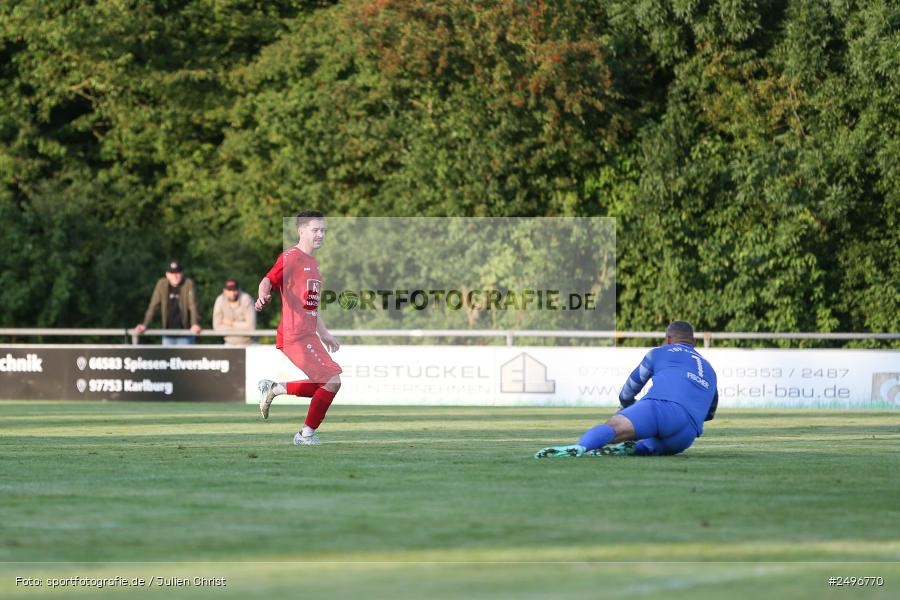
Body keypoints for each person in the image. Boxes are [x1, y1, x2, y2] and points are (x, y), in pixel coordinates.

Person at [535, 320, 718, 458]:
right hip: (686, 435)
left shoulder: (659, 352)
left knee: (614, 426)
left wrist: (626, 405)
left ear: (668, 339)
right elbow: (710, 412)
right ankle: (638, 448)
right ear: (693, 341)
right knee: (652, 446)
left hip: (662, 409)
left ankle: (581, 447)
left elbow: (632, 386)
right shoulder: (710, 369)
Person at [254, 210, 342, 446]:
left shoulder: (314, 264)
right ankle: (305, 435)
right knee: (332, 381)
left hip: (309, 334)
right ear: (301, 231)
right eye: (315, 230)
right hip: (294, 335)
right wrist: (262, 296)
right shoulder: (291, 257)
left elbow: (312, 307)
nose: (320, 234)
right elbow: (267, 280)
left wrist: (324, 333)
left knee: (327, 384)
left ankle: (274, 389)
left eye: (323, 230)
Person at [135, 260, 202, 346]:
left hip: (185, 333)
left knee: (186, 358)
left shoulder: (188, 284)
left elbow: (193, 306)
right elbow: (153, 306)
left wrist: (195, 324)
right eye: (172, 273)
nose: (175, 276)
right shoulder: (161, 284)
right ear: (167, 275)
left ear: (182, 273)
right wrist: (145, 325)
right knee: (167, 358)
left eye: (177, 273)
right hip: (168, 333)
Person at [212, 279, 257, 346]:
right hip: (229, 343)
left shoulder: (246, 299)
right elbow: (216, 327)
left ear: (239, 289)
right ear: (224, 291)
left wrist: (231, 323)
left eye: (234, 290)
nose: (232, 293)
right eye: (229, 290)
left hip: (249, 343)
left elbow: (251, 327)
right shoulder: (219, 300)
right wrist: (242, 326)